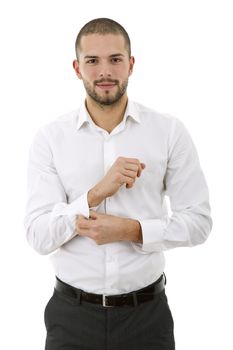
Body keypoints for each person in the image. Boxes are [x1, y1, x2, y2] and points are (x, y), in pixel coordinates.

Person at [24, 18, 212, 350]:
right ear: (77, 67)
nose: (105, 72)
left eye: (115, 59)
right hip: (71, 320)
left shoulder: (168, 132)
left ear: (131, 64)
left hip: (147, 319)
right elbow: (38, 235)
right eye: (92, 61)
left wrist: (132, 230)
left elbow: (198, 223)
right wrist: (96, 193)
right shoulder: (51, 139)